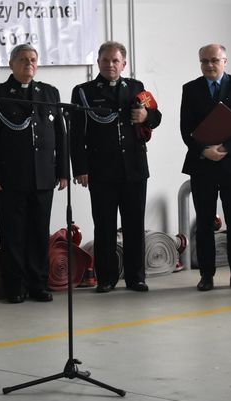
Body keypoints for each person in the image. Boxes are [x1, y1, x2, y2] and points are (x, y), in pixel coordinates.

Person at [0, 43, 68, 304]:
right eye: (22, 59)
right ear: (11, 64)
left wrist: (63, 171)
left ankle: (38, 284)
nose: (29, 64)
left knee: (39, 232)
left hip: (44, 176)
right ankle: (15, 286)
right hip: (10, 178)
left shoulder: (49, 93)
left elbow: (61, 135)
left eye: (33, 59)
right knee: (13, 234)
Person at [70, 41, 161, 293]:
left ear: (124, 64)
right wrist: (80, 168)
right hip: (101, 170)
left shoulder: (136, 87)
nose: (110, 65)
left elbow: (156, 117)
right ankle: (107, 278)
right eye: (105, 60)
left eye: (115, 61)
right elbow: (76, 135)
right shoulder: (84, 92)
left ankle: (136, 277)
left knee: (134, 224)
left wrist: (146, 117)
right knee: (104, 225)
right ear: (98, 62)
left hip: (134, 168)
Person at [180, 44, 231, 292]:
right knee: (204, 223)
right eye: (204, 61)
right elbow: (186, 129)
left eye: (214, 60)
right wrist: (204, 150)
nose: (209, 65)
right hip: (202, 164)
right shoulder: (190, 89)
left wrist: (225, 148)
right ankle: (206, 276)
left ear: (225, 61)